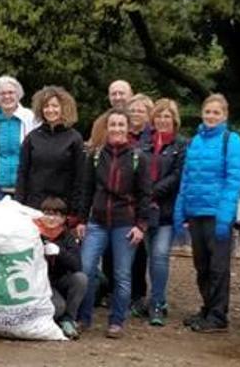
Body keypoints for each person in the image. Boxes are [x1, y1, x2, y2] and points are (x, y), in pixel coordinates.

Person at [76, 108, 151, 339]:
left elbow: (145, 194)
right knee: (86, 269)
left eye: (121, 125)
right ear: (106, 128)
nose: (117, 129)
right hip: (97, 222)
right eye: (113, 125)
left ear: (128, 128)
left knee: (121, 274)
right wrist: (80, 220)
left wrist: (141, 225)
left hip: (125, 224)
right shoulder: (96, 156)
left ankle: (117, 321)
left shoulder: (139, 158)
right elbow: (86, 190)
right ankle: (83, 317)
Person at [174, 93, 240, 333]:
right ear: (202, 113)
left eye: (216, 112)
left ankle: (218, 315)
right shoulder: (195, 141)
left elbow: (233, 180)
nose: (211, 116)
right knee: (201, 265)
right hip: (196, 212)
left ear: (224, 115)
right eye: (208, 112)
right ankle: (207, 307)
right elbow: (187, 177)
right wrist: (180, 209)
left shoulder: (232, 141)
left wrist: (225, 216)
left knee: (218, 267)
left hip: (217, 213)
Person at [139, 98, 187, 326]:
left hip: (166, 210)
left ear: (174, 120)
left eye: (167, 116)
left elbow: (177, 176)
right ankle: (155, 298)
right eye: (159, 116)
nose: (162, 120)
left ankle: (157, 302)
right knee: (150, 256)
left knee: (159, 256)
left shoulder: (180, 145)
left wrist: (152, 191)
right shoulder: (145, 143)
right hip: (146, 211)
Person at [15, 86, 86, 212]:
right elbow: (22, 173)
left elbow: (80, 178)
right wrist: (18, 204)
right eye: (46, 106)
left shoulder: (74, 138)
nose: (50, 110)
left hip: (62, 207)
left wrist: (77, 211)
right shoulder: (32, 138)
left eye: (55, 106)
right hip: (34, 206)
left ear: (63, 108)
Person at [35, 196, 87, 340]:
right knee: (58, 308)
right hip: (40, 284)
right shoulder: (34, 233)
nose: (51, 218)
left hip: (59, 281)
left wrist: (59, 252)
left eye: (56, 214)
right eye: (47, 213)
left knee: (81, 279)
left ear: (64, 218)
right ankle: (56, 319)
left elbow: (77, 265)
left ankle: (69, 320)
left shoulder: (67, 236)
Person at [0, 75, 37, 199]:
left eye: (11, 92)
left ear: (18, 95)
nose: (7, 97)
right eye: (2, 94)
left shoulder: (29, 117)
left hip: (23, 183)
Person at [125, 92, 155, 317]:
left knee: (141, 252)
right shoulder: (120, 134)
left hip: (145, 199)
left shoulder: (154, 139)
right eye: (132, 110)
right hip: (121, 201)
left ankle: (138, 295)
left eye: (140, 110)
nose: (136, 114)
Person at [89, 80, 134, 149]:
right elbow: (93, 146)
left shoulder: (140, 117)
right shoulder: (100, 122)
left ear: (131, 95)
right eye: (113, 94)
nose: (117, 97)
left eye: (121, 93)